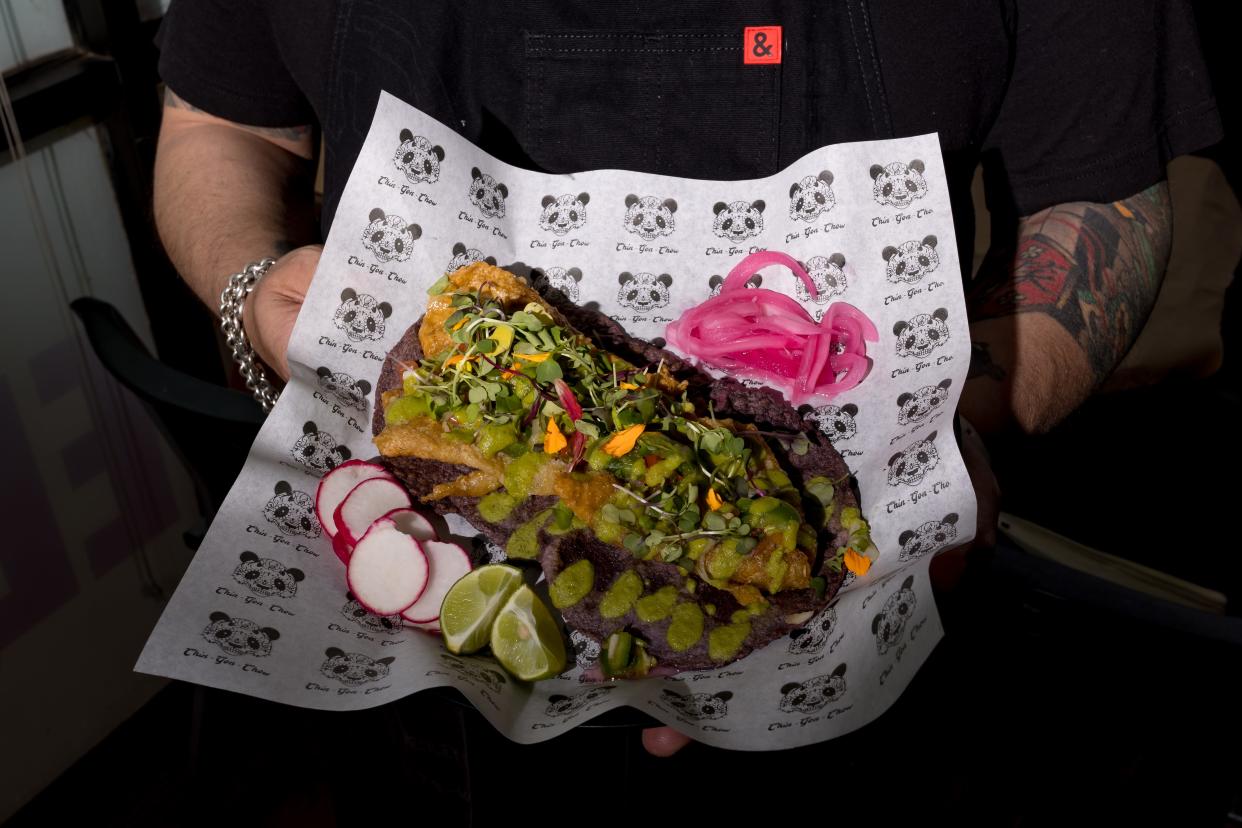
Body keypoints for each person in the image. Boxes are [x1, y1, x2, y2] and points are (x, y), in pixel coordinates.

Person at [151, 0, 1221, 766]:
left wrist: (947, 421)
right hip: (420, 618)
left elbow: (1101, 199)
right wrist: (250, 286)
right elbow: (222, 122)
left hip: (866, 627)